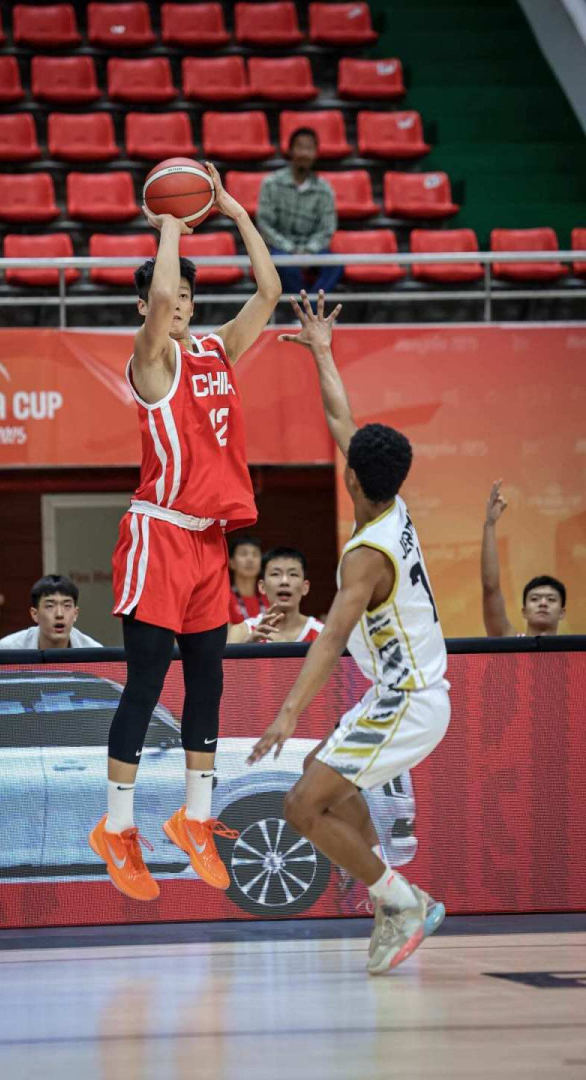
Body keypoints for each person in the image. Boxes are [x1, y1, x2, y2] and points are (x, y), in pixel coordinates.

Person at [89, 163, 281, 901]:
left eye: (188, 300)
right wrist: (170, 223)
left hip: (208, 542)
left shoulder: (216, 350)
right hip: (159, 535)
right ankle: (116, 827)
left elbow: (269, 292)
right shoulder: (149, 361)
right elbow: (163, 294)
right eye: (168, 301)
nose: (179, 308)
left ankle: (195, 818)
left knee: (209, 679)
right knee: (146, 683)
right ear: (146, 308)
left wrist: (233, 211)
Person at [249, 291, 450, 976]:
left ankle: (401, 902)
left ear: (351, 477)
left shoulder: (368, 554)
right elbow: (343, 420)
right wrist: (323, 353)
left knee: (301, 805)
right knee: (324, 784)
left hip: (407, 699)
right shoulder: (391, 503)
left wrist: (287, 712)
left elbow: (331, 638)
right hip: (399, 692)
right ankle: (394, 893)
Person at [256, 127, 342, 298]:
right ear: (290, 150)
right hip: (281, 249)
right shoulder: (271, 184)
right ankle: (308, 310)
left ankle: (309, 308)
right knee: (285, 265)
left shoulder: (325, 189)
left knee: (336, 265)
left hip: (313, 249)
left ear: (316, 153)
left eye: (309, 148)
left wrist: (308, 252)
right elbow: (265, 225)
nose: (304, 153)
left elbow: (327, 229)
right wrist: (292, 251)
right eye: (300, 147)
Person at [481, 480, 567, 637]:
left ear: (562, 613)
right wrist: (490, 524)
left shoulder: (577, 649)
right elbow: (490, 587)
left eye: (551, 599)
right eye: (534, 599)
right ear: (524, 611)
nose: (543, 603)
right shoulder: (511, 643)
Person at [0, 575, 103, 650]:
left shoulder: (93, 652)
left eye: (67, 606)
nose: (59, 614)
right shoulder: (9, 649)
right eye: (50, 606)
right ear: (34, 614)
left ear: (75, 613)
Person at [245, 546, 324, 643]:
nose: (284, 581)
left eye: (293, 574)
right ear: (262, 586)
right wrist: (248, 646)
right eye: (275, 574)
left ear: (305, 587)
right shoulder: (243, 631)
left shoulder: (322, 634)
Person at [228, 534, 268, 624]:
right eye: (243, 554)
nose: (250, 559)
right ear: (232, 562)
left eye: (255, 554)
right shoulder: (225, 598)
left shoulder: (270, 597)